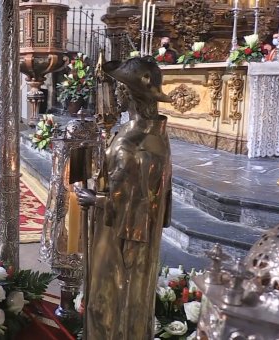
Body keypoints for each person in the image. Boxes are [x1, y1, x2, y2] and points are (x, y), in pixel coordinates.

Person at [76, 56, 172, 339]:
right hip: (113, 225)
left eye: (120, 89)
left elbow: (141, 200)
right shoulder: (140, 129)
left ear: (132, 94)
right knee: (103, 292)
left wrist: (96, 200)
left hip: (124, 234)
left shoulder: (145, 140)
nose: (115, 95)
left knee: (112, 293)